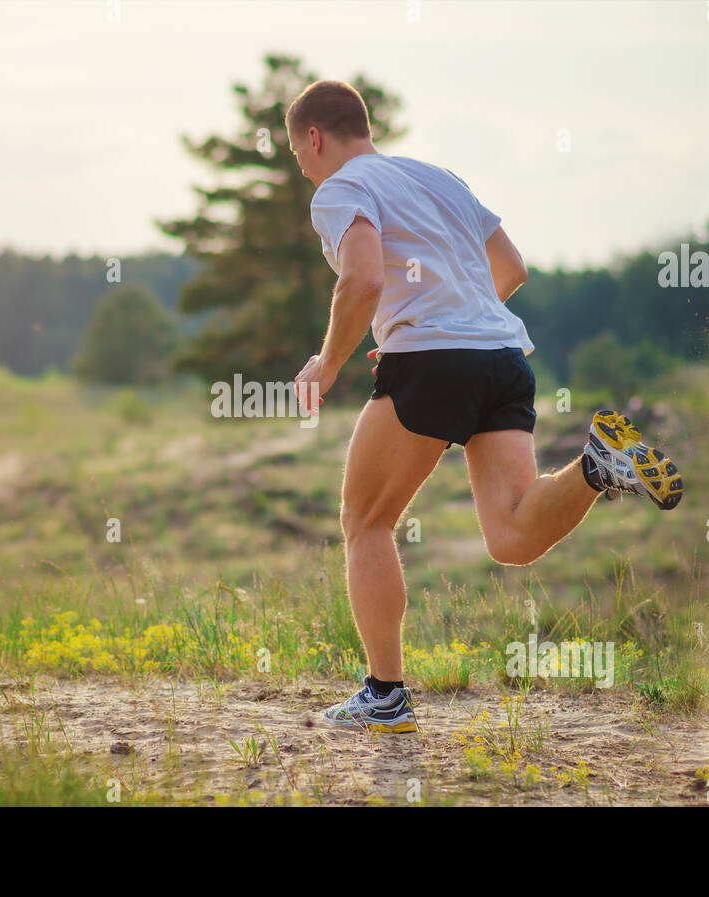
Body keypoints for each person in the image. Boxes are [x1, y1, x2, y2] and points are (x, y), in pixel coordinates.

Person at [286, 80, 683, 734]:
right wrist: (461, 321)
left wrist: (326, 363)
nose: (300, 164)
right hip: (504, 355)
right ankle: (599, 466)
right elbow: (512, 266)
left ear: (316, 138)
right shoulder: (436, 177)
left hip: (435, 359)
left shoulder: (338, 190)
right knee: (512, 536)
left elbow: (362, 279)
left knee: (365, 521)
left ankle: (384, 696)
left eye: (297, 149)